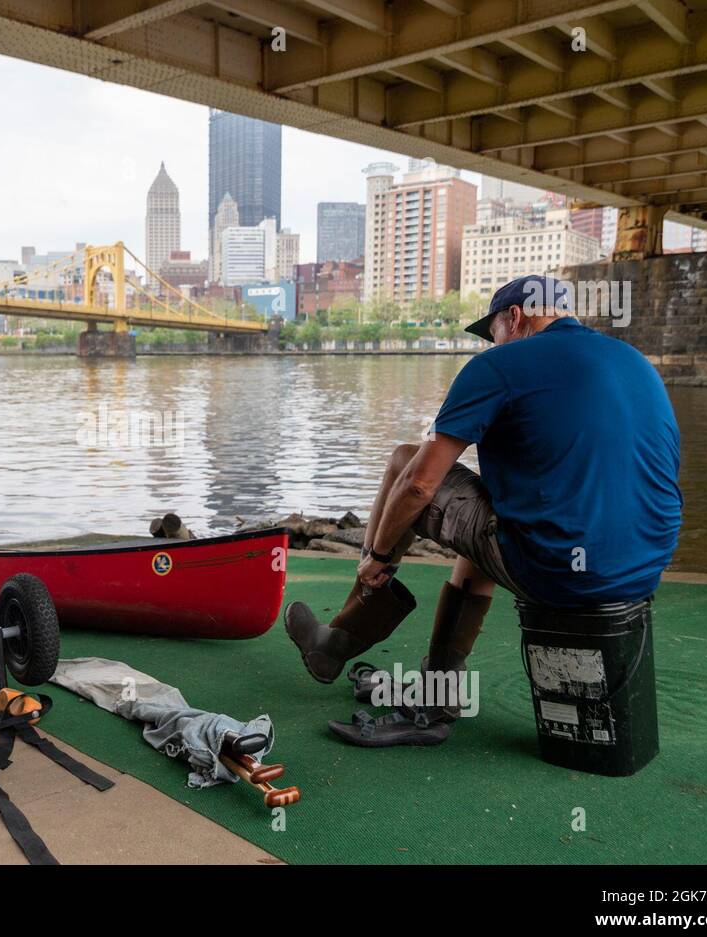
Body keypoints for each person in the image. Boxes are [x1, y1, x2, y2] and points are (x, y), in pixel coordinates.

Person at [284, 275, 682, 745]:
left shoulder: (501, 364)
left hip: (558, 571)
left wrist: (380, 555)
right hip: (641, 568)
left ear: (514, 318)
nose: (491, 343)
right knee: (488, 526)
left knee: (401, 460)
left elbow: (417, 483)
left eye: (490, 330)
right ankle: (437, 694)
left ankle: (338, 639)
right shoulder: (632, 360)